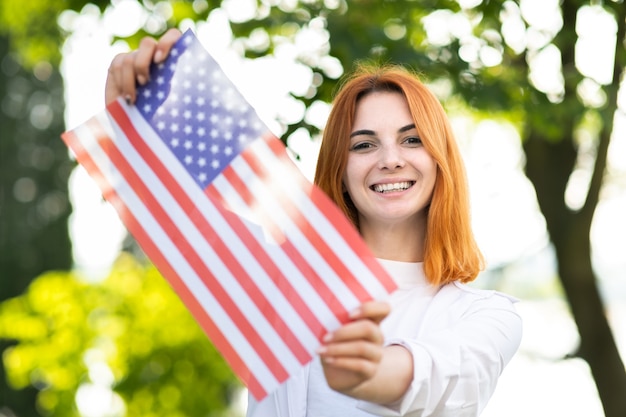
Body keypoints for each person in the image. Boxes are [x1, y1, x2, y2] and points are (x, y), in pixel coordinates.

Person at [106, 28, 522, 417]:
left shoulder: (488, 316)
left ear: (440, 160)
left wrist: (369, 369)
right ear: (339, 170)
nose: (390, 159)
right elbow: (170, 216)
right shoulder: (279, 282)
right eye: (364, 144)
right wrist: (129, 115)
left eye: (412, 139)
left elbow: (437, 372)